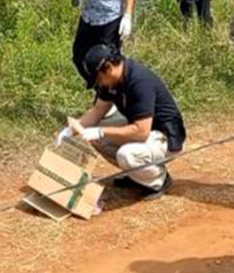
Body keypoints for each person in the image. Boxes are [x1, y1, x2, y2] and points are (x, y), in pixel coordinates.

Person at [55, 44, 187, 200]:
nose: (100, 84)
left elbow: (141, 132)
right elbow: (98, 111)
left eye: (99, 79)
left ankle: (158, 180)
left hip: (165, 137)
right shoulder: (111, 80)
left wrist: (102, 131)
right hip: (145, 132)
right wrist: (70, 130)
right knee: (97, 137)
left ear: (109, 68)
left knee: (126, 154)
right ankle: (137, 175)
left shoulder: (139, 81)